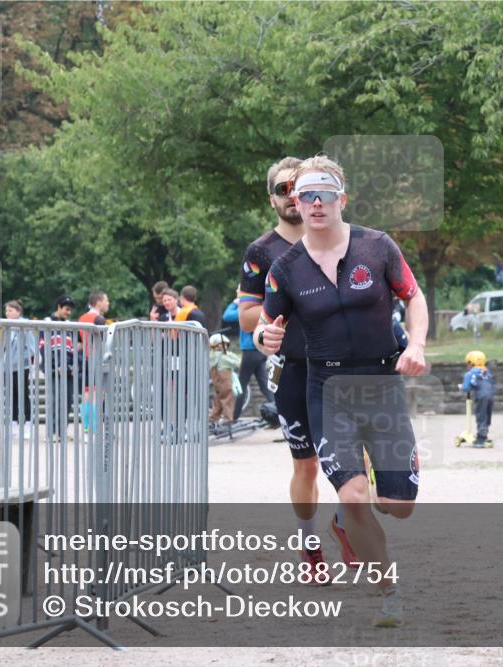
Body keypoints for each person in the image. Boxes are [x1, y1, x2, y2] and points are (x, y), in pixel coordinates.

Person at [255, 155, 429, 627]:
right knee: (353, 495)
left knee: (399, 506)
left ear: (341, 199)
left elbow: (413, 296)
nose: (314, 203)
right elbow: (267, 326)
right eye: (305, 195)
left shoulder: (378, 247)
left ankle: (361, 513)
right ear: (296, 201)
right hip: (327, 387)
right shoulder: (285, 267)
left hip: (381, 383)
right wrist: (264, 337)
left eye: (323, 194)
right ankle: (387, 589)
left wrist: (415, 344)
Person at [238, 156, 353, 581]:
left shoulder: (342, 239)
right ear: (273, 199)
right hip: (296, 367)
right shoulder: (262, 252)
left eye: (299, 188)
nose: (294, 197)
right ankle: (310, 545)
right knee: (305, 465)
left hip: (345, 367)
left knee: (358, 459)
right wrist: (279, 315)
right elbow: (247, 315)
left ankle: (345, 523)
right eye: (284, 190)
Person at [223, 287, 274, 420]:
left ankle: (233, 417)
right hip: (259, 351)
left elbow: (227, 316)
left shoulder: (249, 310)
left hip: (251, 351)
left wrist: (236, 302)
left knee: (241, 384)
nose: (237, 292)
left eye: (239, 291)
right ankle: (279, 412)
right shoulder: (260, 306)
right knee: (264, 385)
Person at [40, 295, 77, 442]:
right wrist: (56, 366)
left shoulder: (69, 325)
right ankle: (52, 433)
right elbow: (44, 347)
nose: (69, 313)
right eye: (67, 309)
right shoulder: (47, 323)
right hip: (53, 368)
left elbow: (72, 348)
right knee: (55, 400)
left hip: (67, 368)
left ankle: (62, 432)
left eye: (70, 310)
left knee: (67, 401)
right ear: (59, 307)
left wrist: (73, 365)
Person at [2, 300, 37, 439]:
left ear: (18, 311)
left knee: (23, 396)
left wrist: (25, 361)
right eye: (6, 311)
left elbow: (31, 348)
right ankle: (13, 426)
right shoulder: (7, 327)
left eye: (10, 310)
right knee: (11, 396)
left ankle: (27, 425)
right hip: (8, 367)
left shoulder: (25, 325)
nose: (7, 313)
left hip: (22, 366)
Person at [77, 292, 109, 432]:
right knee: (98, 393)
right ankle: (95, 426)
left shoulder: (82, 318)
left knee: (87, 393)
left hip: (85, 359)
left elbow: (78, 343)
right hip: (96, 359)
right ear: (98, 302)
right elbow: (102, 343)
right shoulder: (99, 319)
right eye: (106, 300)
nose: (108, 303)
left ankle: (86, 426)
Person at [460, 351, 494, 447]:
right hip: (490, 396)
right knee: (487, 415)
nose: (467, 366)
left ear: (471, 363)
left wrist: (461, 387)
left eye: (468, 363)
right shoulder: (487, 372)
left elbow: (466, 387)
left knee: (481, 415)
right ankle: (484, 433)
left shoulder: (470, 373)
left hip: (481, 396)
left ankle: (481, 439)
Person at [208, 333, 241, 425]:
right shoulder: (224, 356)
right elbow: (237, 363)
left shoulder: (212, 356)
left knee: (218, 399)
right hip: (225, 382)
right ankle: (227, 418)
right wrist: (232, 356)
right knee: (227, 399)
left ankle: (213, 417)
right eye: (225, 345)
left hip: (216, 382)